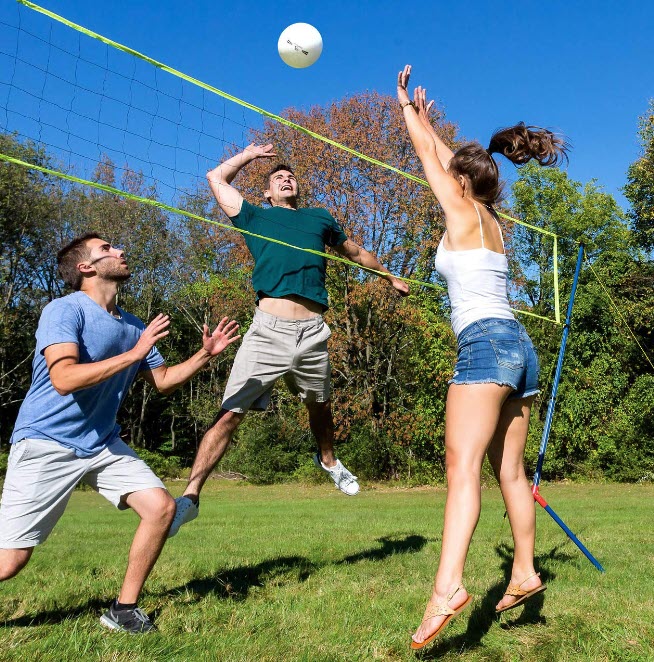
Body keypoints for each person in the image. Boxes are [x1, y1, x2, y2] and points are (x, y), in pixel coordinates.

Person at [397, 65, 568, 649]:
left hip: (486, 345)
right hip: (520, 347)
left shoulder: (462, 210)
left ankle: (447, 587)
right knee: (510, 472)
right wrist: (427, 119)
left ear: (461, 184)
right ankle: (523, 572)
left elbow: (431, 160)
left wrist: (405, 111)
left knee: (461, 469)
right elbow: (449, 158)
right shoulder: (490, 217)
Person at [0, 233, 240, 633]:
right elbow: (63, 378)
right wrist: (133, 352)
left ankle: (123, 610)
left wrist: (204, 355)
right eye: (107, 249)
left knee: (162, 508)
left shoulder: (133, 325)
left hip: (102, 442)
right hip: (46, 441)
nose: (121, 250)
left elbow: (162, 381)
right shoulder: (64, 310)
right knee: (10, 562)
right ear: (85, 267)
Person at [169, 143, 409, 535]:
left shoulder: (319, 218)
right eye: (277, 177)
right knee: (230, 413)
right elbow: (215, 177)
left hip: (313, 331)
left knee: (321, 406)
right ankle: (190, 497)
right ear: (266, 192)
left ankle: (328, 460)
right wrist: (247, 155)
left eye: (290, 176)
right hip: (268, 329)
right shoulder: (254, 217)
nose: (286, 178)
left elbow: (356, 252)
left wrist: (387, 275)